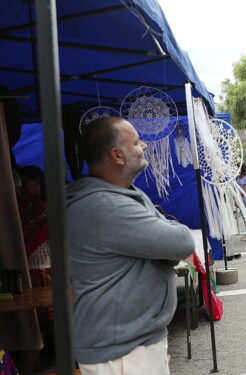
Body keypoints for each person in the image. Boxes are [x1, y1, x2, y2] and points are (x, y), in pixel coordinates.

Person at [67, 117, 194, 373]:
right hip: (124, 352)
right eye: (136, 142)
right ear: (117, 155)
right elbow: (181, 242)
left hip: (128, 345)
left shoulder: (119, 195)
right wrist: (165, 245)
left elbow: (168, 248)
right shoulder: (106, 206)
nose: (144, 146)